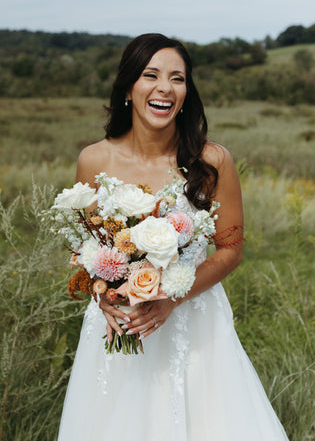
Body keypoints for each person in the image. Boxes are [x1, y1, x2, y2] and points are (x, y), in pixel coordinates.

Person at [58, 33, 289, 440]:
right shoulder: (93, 159)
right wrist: (104, 297)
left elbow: (231, 249)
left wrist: (171, 299)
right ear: (129, 87)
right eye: (151, 75)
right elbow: (89, 250)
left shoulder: (212, 160)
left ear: (186, 93)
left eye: (177, 79)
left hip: (194, 326)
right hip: (120, 328)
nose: (165, 87)